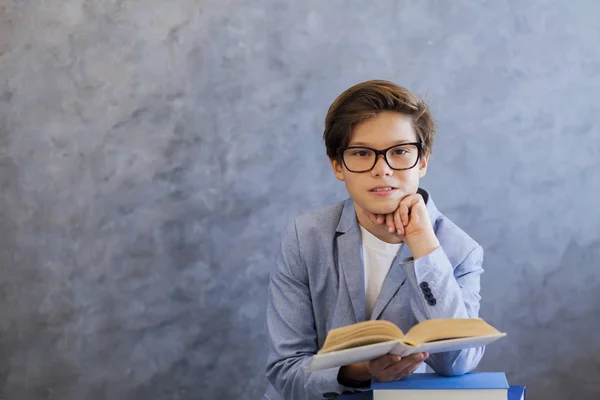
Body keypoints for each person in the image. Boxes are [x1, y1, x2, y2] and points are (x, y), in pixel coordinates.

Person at [263, 80, 485, 400]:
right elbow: (284, 370)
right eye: (362, 153)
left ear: (422, 161)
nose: (382, 169)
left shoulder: (459, 250)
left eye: (399, 152)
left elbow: (457, 362)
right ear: (338, 165)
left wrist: (424, 246)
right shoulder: (306, 237)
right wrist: (361, 371)